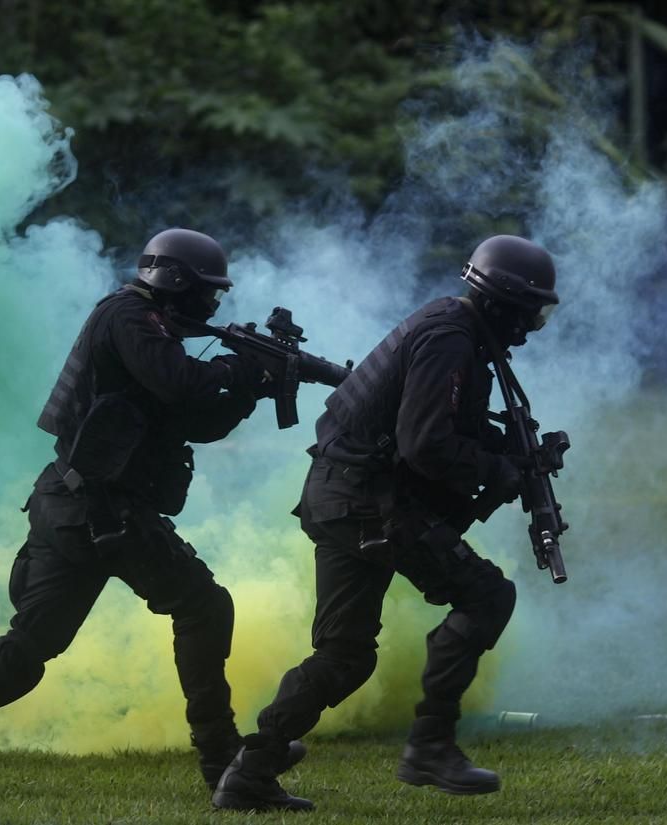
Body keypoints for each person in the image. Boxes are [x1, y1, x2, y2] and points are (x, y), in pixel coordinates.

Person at [0, 228, 300, 791]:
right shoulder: (129, 317)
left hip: (74, 502)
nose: (214, 303)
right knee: (204, 607)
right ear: (175, 282)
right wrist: (238, 369)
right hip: (102, 510)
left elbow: (193, 421)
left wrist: (251, 387)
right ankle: (223, 758)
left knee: (34, 642)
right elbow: (179, 384)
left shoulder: (151, 331)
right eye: (208, 291)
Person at [212, 235, 560, 812]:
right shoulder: (451, 336)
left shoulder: (457, 332)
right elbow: (425, 444)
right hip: (368, 504)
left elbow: (438, 427)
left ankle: (251, 770)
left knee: (345, 655)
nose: (531, 328)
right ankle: (431, 745)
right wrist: (498, 468)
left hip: (342, 496)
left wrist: (511, 457)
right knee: (488, 596)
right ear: (502, 303)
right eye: (530, 313)